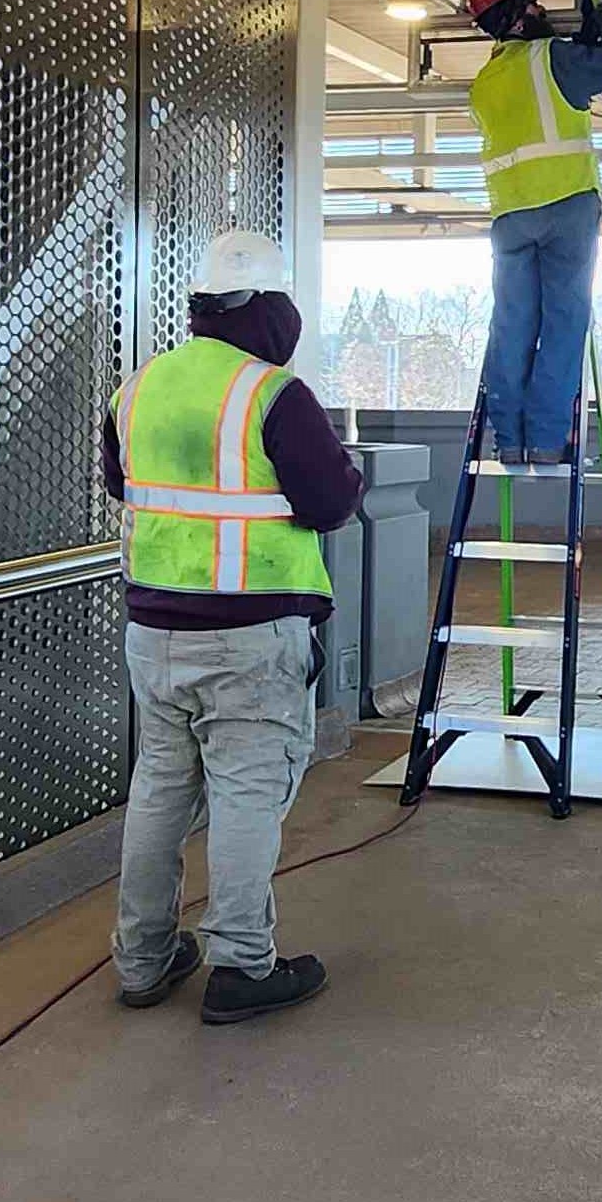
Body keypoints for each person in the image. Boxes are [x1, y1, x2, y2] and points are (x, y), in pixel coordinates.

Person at [105, 225, 362, 1025]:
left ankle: (142, 960)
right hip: (250, 633)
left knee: (159, 791)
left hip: (153, 629)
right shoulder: (273, 395)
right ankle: (243, 965)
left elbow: (122, 482)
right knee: (249, 793)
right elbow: (329, 502)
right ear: (269, 309)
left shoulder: (139, 387)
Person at [462, 0, 602, 466]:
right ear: (519, 16)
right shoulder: (551, 58)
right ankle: (544, 439)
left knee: (512, 324)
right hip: (567, 205)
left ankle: (509, 442)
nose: (542, 11)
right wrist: (601, 8)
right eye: (534, 5)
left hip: (510, 216)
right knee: (563, 321)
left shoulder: (484, 83)